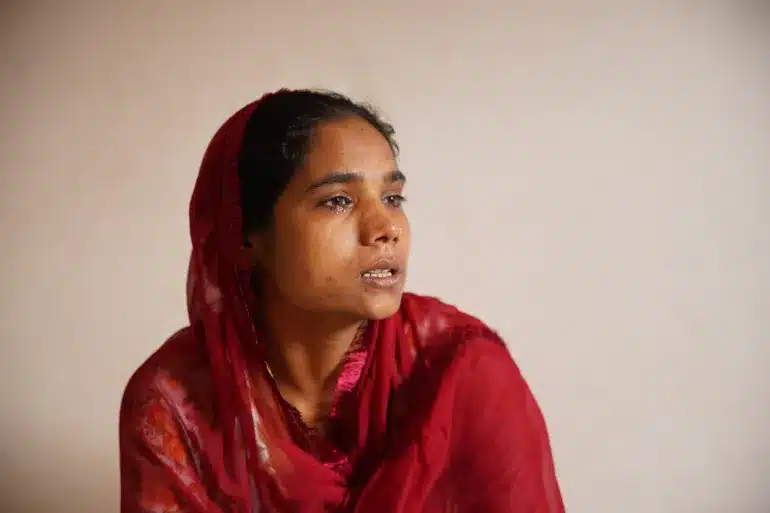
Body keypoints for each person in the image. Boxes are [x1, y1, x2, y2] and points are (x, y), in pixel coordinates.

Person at [119, 89, 565, 513]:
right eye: (337, 201)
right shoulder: (177, 404)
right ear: (243, 234)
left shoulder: (459, 371)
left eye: (392, 197)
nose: (385, 226)